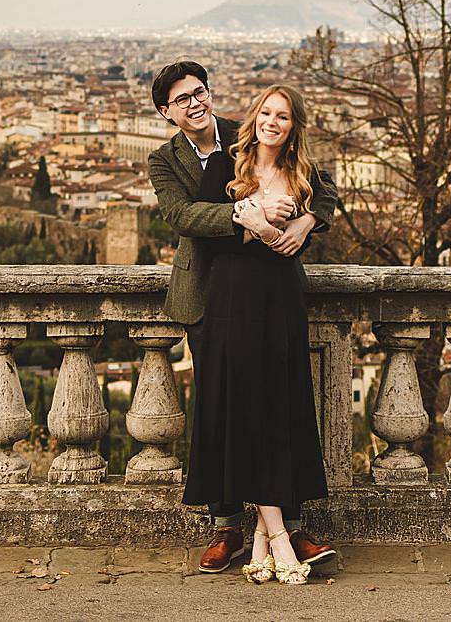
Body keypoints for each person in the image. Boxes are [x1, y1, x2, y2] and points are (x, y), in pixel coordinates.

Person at [145, 61, 340, 575]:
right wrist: (248, 216)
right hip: (207, 295)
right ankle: (226, 525)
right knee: (221, 408)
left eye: (199, 92)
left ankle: (289, 526)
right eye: (182, 99)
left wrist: (306, 221)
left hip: (267, 288)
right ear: (166, 112)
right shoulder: (164, 160)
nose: (194, 103)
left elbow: (323, 187)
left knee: (277, 401)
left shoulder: (245, 133)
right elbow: (182, 215)